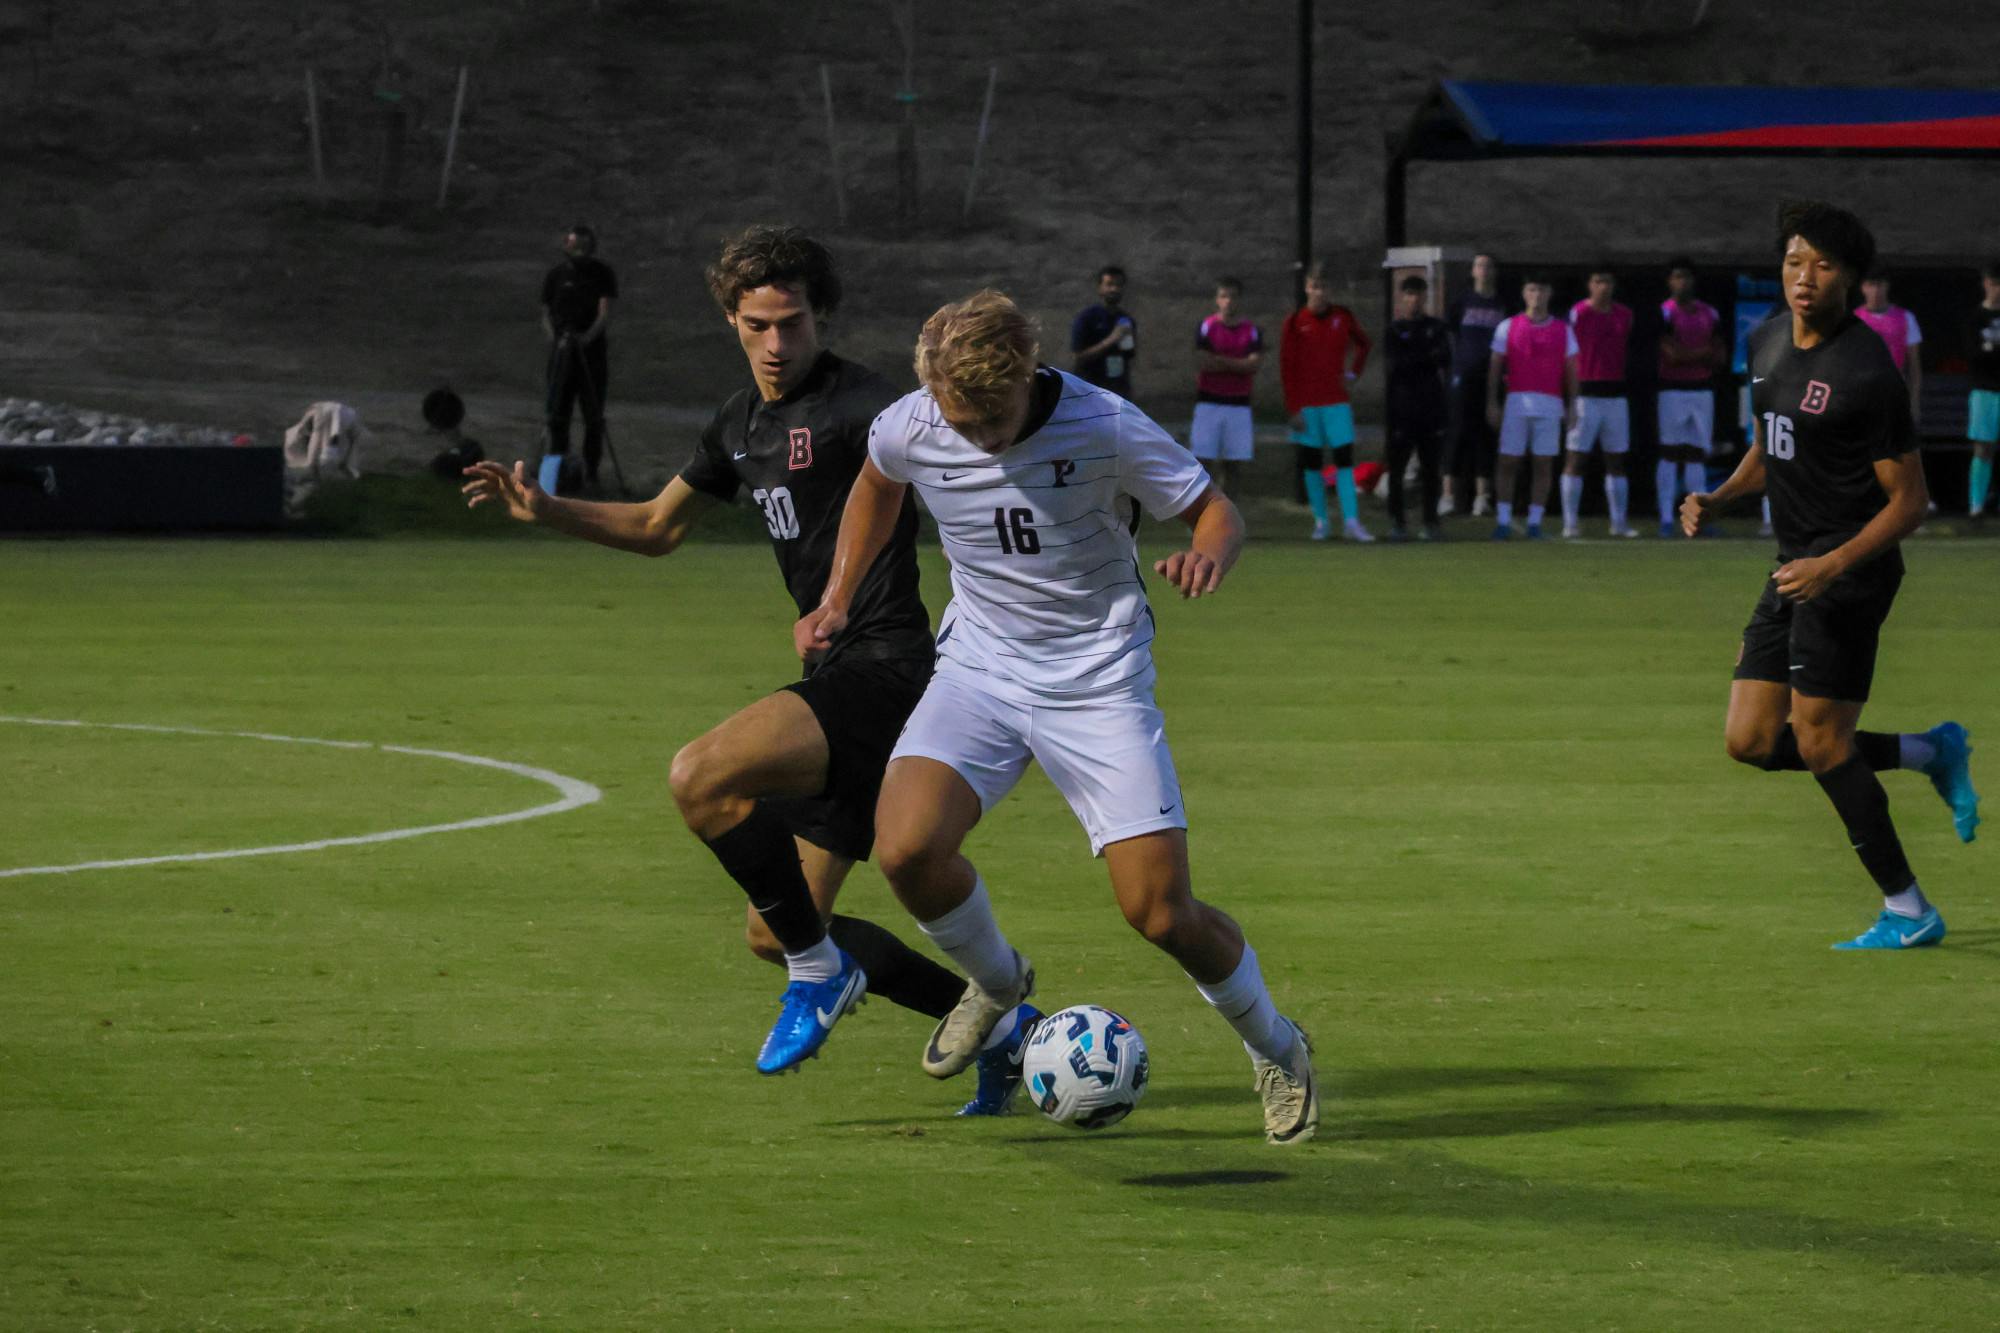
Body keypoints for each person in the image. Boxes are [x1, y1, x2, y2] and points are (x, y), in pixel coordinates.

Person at [466, 226, 1036, 1113]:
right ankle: (1010, 1030)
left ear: (821, 317)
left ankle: (822, 975)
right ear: (731, 320)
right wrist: (549, 510)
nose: (776, 343)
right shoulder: (738, 423)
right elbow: (657, 527)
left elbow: (975, 458)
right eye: (757, 325)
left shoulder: (866, 407)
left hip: (886, 671)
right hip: (840, 677)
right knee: (777, 930)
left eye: (792, 323)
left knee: (702, 776)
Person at [798, 290, 1318, 1144]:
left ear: (1026, 378)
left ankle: (1278, 1046)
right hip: (980, 671)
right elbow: (875, 483)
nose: (973, 436)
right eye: (958, 419)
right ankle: (998, 981)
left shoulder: (1103, 424)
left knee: (1159, 911)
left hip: (1099, 680)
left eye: (990, 419)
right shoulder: (912, 422)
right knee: (906, 848)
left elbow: (1215, 510)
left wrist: (1206, 554)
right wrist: (837, 596)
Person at [1682, 200, 1980, 950]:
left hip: (1851, 570)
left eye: (1822, 265)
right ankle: (1929, 751)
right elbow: (1772, 446)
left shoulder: (1866, 371)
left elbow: (1910, 502)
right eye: (1793, 261)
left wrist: (1833, 564)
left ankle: (1909, 910)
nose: (1804, 277)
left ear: (1851, 279)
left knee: (1819, 741)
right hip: (1795, 565)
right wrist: (1718, 497)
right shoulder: (1765, 340)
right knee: (1751, 739)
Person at [1280, 261, 1374, 541]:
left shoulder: (1343, 316)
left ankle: (1351, 521)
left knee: (1344, 459)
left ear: (1330, 289)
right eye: (1315, 286)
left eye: (1324, 287)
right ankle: (1321, 522)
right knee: (1312, 463)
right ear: (1307, 288)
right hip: (1308, 405)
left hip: (1337, 402)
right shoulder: (1295, 322)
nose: (1319, 292)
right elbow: (1287, 367)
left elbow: (1364, 344)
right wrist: (1293, 408)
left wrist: (1353, 373)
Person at [1485, 272, 1577, 540]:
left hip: (1550, 404)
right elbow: (1495, 367)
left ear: (1549, 294)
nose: (1537, 296)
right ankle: (1503, 521)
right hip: (1516, 403)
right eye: (1532, 290)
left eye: (1542, 290)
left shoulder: (1563, 330)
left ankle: (1535, 522)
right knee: (1508, 461)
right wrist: (1492, 402)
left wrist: (1572, 405)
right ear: (1525, 293)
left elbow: (1571, 370)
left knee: (1543, 464)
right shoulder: (1508, 326)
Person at [1561, 265, 1639, 538]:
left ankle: (1619, 523)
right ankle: (1570, 523)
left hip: (1615, 396)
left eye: (1607, 281)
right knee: (1576, 458)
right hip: (1585, 395)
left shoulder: (1625, 315)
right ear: (1589, 285)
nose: (1603, 287)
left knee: (1616, 460)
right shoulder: (1578, 313)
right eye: (1597, 281)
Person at [539, 223, 618, 495]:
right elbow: (546, 313)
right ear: (567, 245)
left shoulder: (602, 273)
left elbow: (604, 313)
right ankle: (555, 475)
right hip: (562, 353)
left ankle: (591, 475)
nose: (580, 251)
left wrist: (587, 338)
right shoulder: (556, 275)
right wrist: (556, 339)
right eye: (575, 245)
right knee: (556, 415)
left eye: (584, 246)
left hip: (591, 355)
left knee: (593, 416)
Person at [1655, 256, 1726, 537]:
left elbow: (1719, 356)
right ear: (1669, 281)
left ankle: (1697, 520)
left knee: (1697, 454)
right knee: (1670, 453)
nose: (1682, 282)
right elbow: (1671, 355)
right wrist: (1701, 354)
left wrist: (1690, 355)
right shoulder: (1664, 312)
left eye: (1686, 277)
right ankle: (1665, 518)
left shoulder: (1710, 314)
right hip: (1672, 390)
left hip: (1702, 390)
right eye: (1677, 277)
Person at [1382, 274, 1451, 539]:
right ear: (1403, 297)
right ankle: (1397, 523)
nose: (1415, 300)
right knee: (1397, 470)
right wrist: (1424, 356)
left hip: (1431, 407)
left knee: (1431, 469)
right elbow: (1396, 364)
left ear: (1425, 297)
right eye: (1410, 294)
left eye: (1419, 294)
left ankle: (1431, 523)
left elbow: (1444, 358)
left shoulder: (1437, 327)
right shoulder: (1394, 330)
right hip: (1402, 409)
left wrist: (1416, 356)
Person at [1441, 251, 1506, 519]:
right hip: (1463, 375)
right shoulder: (1462, 302)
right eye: (1479, 265)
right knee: (1456, 432)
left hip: (1490, 376)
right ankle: (1447, 496)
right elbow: (1449, 334)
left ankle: (1482, 496)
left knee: (1485, 434)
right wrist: (1455, 366)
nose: (1484, 270)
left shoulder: (1503, 304)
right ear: (1473, 271)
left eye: (1488, 266)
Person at [1189, 277, 1264, 495]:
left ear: (1240, 300)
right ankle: (1203, 511)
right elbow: (1203, 362)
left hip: (1239, 405)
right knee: (1202, 463)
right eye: (1224, 296)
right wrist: (1238, 364)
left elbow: (1253, 365)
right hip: (1208, 403)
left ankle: (1228, 512)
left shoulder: (1251, 330)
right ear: (1217, 299)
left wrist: (1221, 360)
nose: (1228, 301)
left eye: (1233, 296)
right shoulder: (1207, 326)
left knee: (1233, 465)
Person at [1070, 265, 1137, 399]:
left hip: (1117, 390)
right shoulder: (1087, 318)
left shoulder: (1126, 320)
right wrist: (1111, 340)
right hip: (1090, 389)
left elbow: (1129, 355)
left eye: (1118, 285)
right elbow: (1078, 357)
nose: (1114, 289)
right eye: (1109, 284)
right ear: (1100, 288)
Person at [1968, 259, 2000, 518]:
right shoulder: (1976, 318)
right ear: (1985, 284)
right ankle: (1976, 505)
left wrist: (1990, 350)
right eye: (1993, 284)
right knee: (1983, 447)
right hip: (1984, 391)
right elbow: (1973, 355)